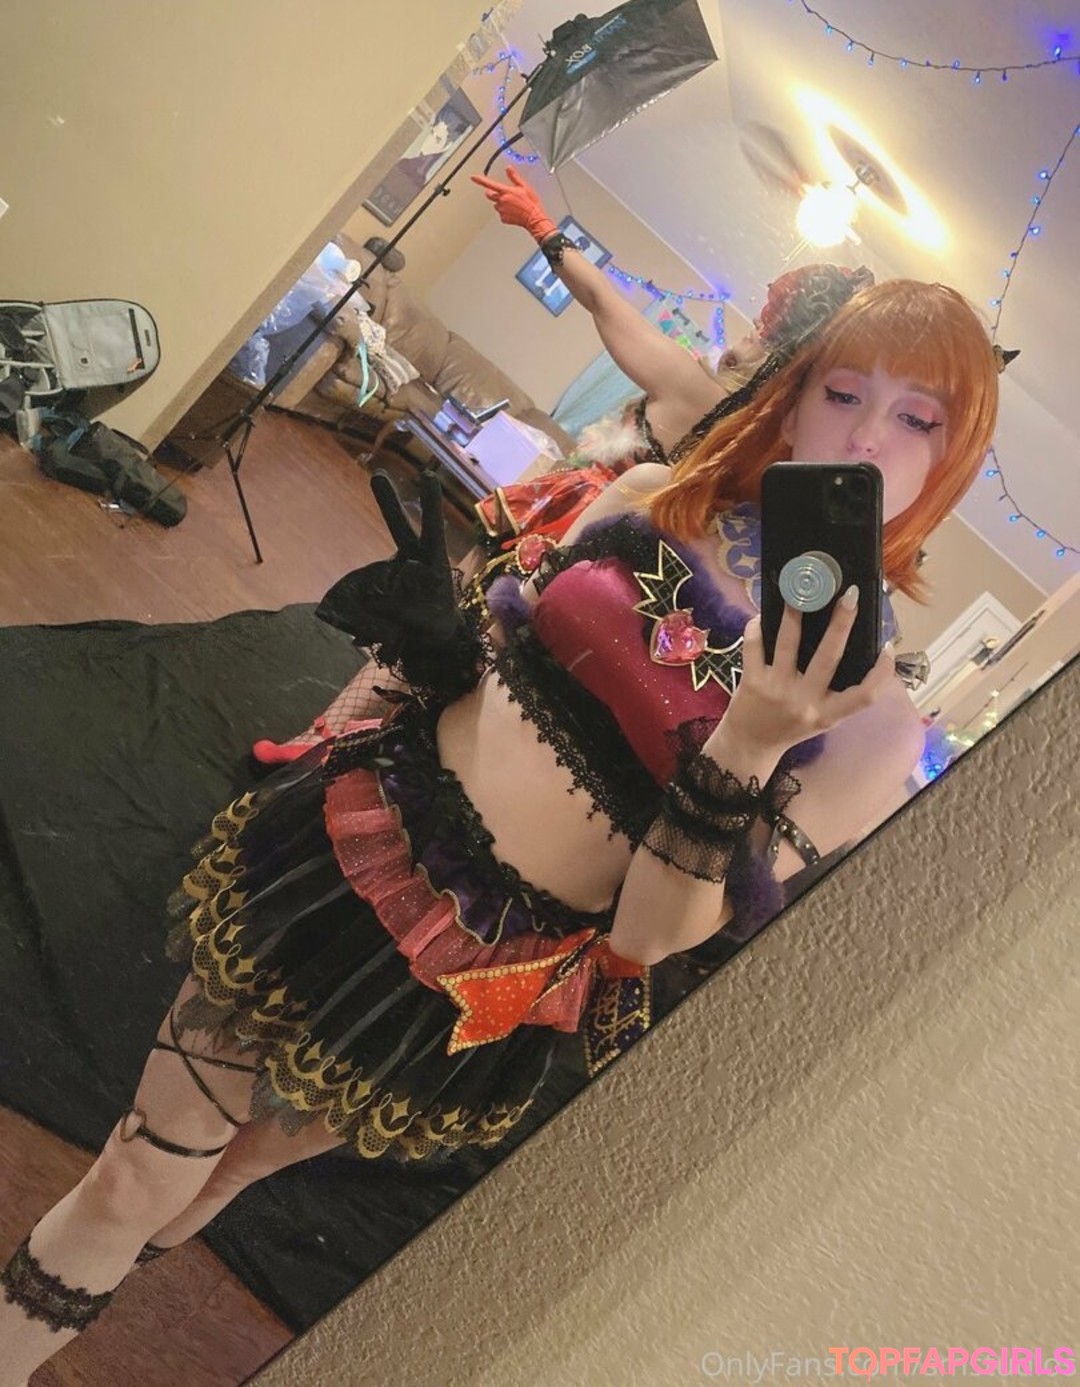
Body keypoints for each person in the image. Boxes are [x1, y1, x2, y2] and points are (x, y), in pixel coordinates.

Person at [0, 278, 999, 1380]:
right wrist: (425, 646)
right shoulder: (655, 497)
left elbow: (654, 938)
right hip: (358, 847)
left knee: (224, 1173)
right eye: (845, 392)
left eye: (918, 417)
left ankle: (67, 1302)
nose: (866, 436)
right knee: (140, 1169)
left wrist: (753, 738)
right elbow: (496, 647)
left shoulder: (874, 728)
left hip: (486, 983)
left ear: (953, 456)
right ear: (796, 391)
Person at [253, 172, 874, 765]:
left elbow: (604, 302)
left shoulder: (696, 391)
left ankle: (321, 740)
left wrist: (540, 225)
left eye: (758, 331)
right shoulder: (764, 447)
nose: (742, 336)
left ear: (772, 351)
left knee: (440, 622)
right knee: (477, 676)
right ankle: (370, 755)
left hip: (559, 531)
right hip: (609, 569)